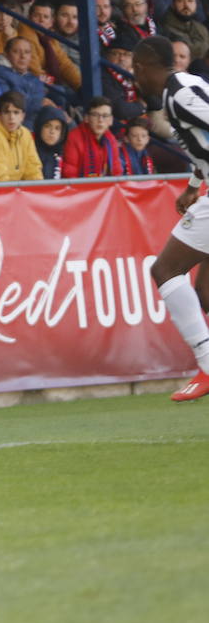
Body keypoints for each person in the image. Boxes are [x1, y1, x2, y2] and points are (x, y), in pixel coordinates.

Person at [128, 36, 209, 399]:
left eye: (135, 69)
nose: (134, 77)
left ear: (146, 66)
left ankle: (207, 365)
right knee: (205, 294)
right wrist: (195, 183)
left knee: (164, 270)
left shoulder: (179, 96)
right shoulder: (183, 87)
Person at [59, 97, 131, 178]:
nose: (100, 120)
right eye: (95, 115)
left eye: (105, 116)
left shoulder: (111, 140)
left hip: (105, 188)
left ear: (111, 120)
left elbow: (117, 171)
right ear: (86, 118)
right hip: (80, 188)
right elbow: (69, 173)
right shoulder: (74, 137)